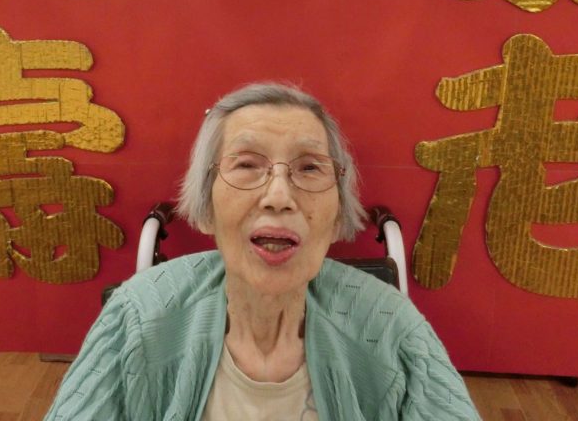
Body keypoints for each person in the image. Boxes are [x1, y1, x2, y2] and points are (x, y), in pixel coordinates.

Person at [45, 82, 480, 420]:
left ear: (336, 217)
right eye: (247, 164)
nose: (278, 196)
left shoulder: (392, 328)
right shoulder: (137, 316)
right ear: (207, 208)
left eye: (309, 167)